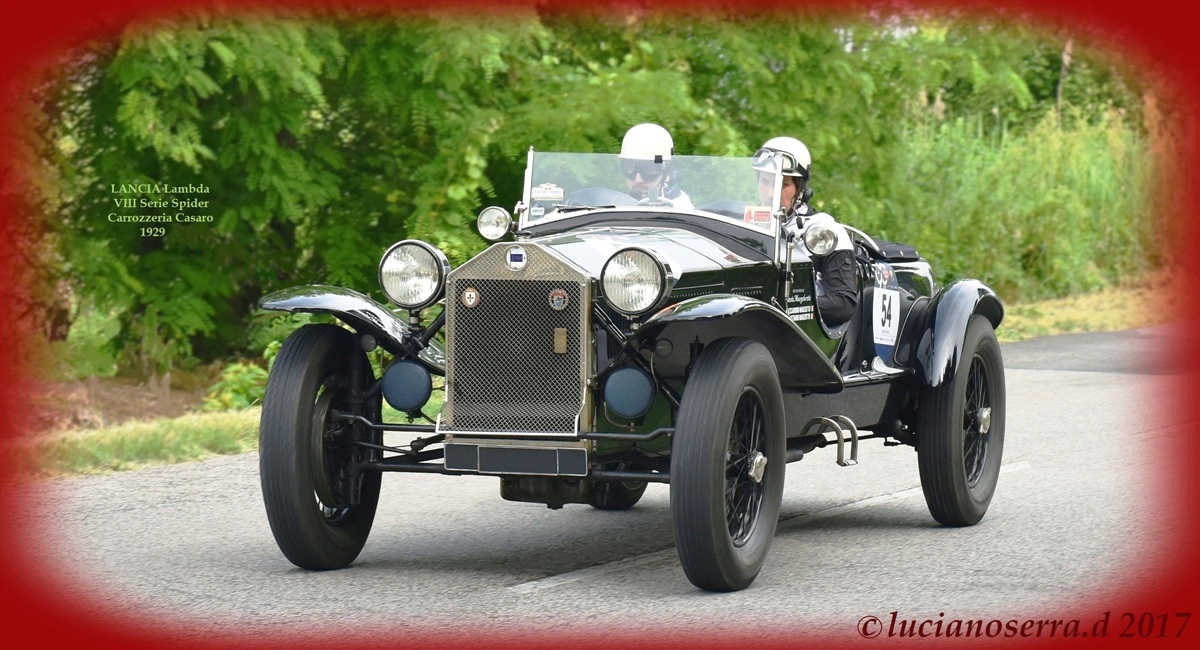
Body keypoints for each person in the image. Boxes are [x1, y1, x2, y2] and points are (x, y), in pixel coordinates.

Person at [754, 136, 858, 327]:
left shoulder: (824, 230)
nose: (770, 194)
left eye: (782, 184)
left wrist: (787, 309)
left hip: (798, 335)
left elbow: (843, 304)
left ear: (800, 189)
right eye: (765, 182)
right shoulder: (743, 223)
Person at [619, 123, 693, 208]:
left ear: (666, 171)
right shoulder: (619, 205)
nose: (638, 180)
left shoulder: (682, 210)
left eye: (649, 169)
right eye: (630, 168)